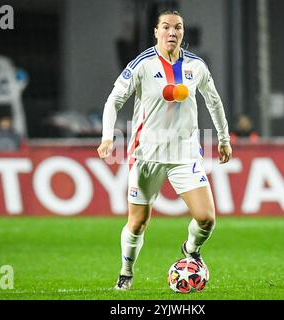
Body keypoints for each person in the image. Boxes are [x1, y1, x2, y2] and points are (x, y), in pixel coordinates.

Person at [97, 10, 232, 291]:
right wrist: (107, 137)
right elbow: (113, 101)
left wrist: (224, 138)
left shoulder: (197, 66)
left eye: (178, 28)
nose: (173, 32)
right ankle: (126, 272)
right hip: (146, 155)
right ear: (156, 32)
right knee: (137, 223)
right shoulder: (141, 65)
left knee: (206, 218)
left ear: (183, 33)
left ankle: (191, 251)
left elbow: (214, 102)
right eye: (167, 27)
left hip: (185, 155)